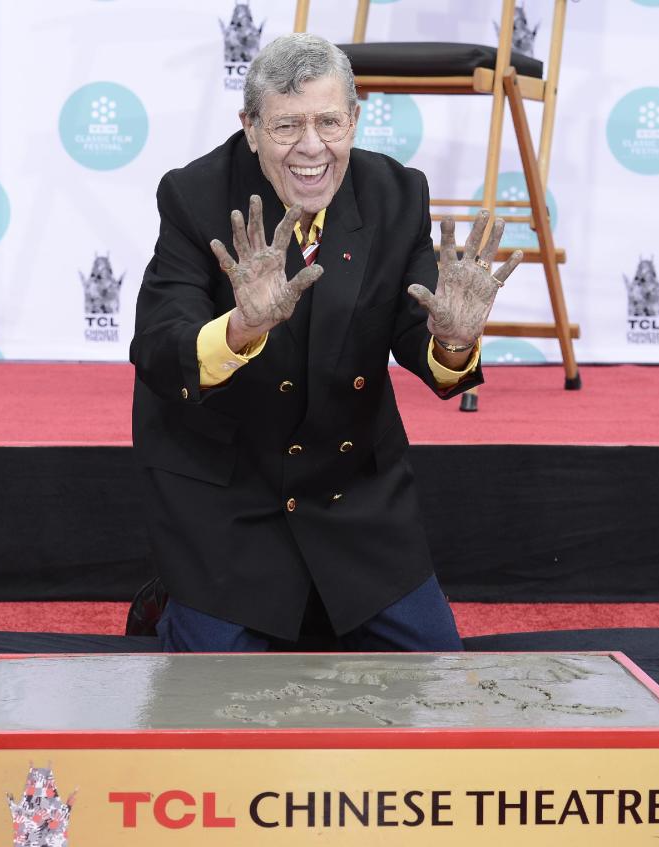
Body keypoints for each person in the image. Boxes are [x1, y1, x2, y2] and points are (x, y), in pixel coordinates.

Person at [130, 33, 522, 654]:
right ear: (250, 127)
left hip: (351, 493)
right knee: (211, 701)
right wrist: (241, 328)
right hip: (229, 494)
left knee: (436, 678)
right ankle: (173, 598)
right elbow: (157, 346)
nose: (312, 148)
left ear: (355, 120)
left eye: (329, 122)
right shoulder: (192, 195)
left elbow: (416, 328)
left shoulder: (398, 194)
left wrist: (451, 341)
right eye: (287, 126)